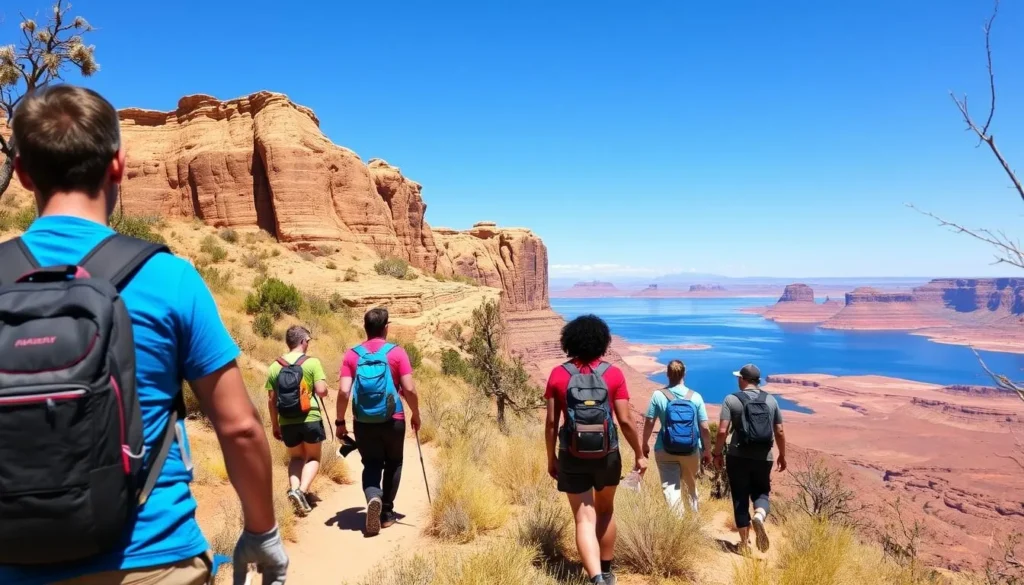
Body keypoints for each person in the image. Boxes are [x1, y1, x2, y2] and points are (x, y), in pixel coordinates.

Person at [0, 85, 286, 584]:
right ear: (119, 166)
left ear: (22, 173)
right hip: (154, 558)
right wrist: (262, 533)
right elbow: (239, 428)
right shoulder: (168, 277)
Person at [545, 314, 648, 585]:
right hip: (607, 454)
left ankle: (595, 579)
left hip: (571, 454)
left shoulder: (558, 374)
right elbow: (625, 420)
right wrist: (639, 453)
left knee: (583, 517)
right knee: (605, 511)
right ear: (603, 342)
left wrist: (551, 457)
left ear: (569, 341)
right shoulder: (613, 374)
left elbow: (551, 424)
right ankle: (607, 571)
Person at [337, 307, 421, 536]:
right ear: (386, 328)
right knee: (394, 462)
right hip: (393, 419)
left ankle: (373, 496)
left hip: (363, 421)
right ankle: (386, 513)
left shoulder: (352, 355)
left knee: (372, 463)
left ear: (365, 328)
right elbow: (410, 388)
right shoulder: (396, 353)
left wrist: (339, 422)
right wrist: (416, 413)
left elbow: (344, 392)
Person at [712, 363, 787, 554]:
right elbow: (779, 430)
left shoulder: (732, 399)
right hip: (764, 457)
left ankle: (744, 544)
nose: (738, 380)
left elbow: (722, 431)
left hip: (738, 455)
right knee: (761, 493)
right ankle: (760, 515)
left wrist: (717, 454)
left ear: (743, 379)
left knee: (740, 497)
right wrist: (782, 456)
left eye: (739, 377)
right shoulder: (771, 400)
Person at [266, 325, 329, 517]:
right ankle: (301, 491)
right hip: (310, 417)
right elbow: (321, 391)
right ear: (303, 341)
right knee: (312, 458)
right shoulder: (312, 363)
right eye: (308, 341)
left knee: (295, 457)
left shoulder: (275, 366)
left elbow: (271, 400)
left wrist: (275, 424)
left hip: (286, 420)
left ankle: (294, 489)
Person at [641, 359, 712, 515]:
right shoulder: (696, 397)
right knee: (690, 487)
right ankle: (693, 524)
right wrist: (707, 451)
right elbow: (705, 428)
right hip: (691, 450)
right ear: (684, 374)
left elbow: (649, 422)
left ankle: (677, 521)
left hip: (665, 449)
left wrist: (644, 444)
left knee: (670, 488)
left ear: (667, 374)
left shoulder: (658, 396)